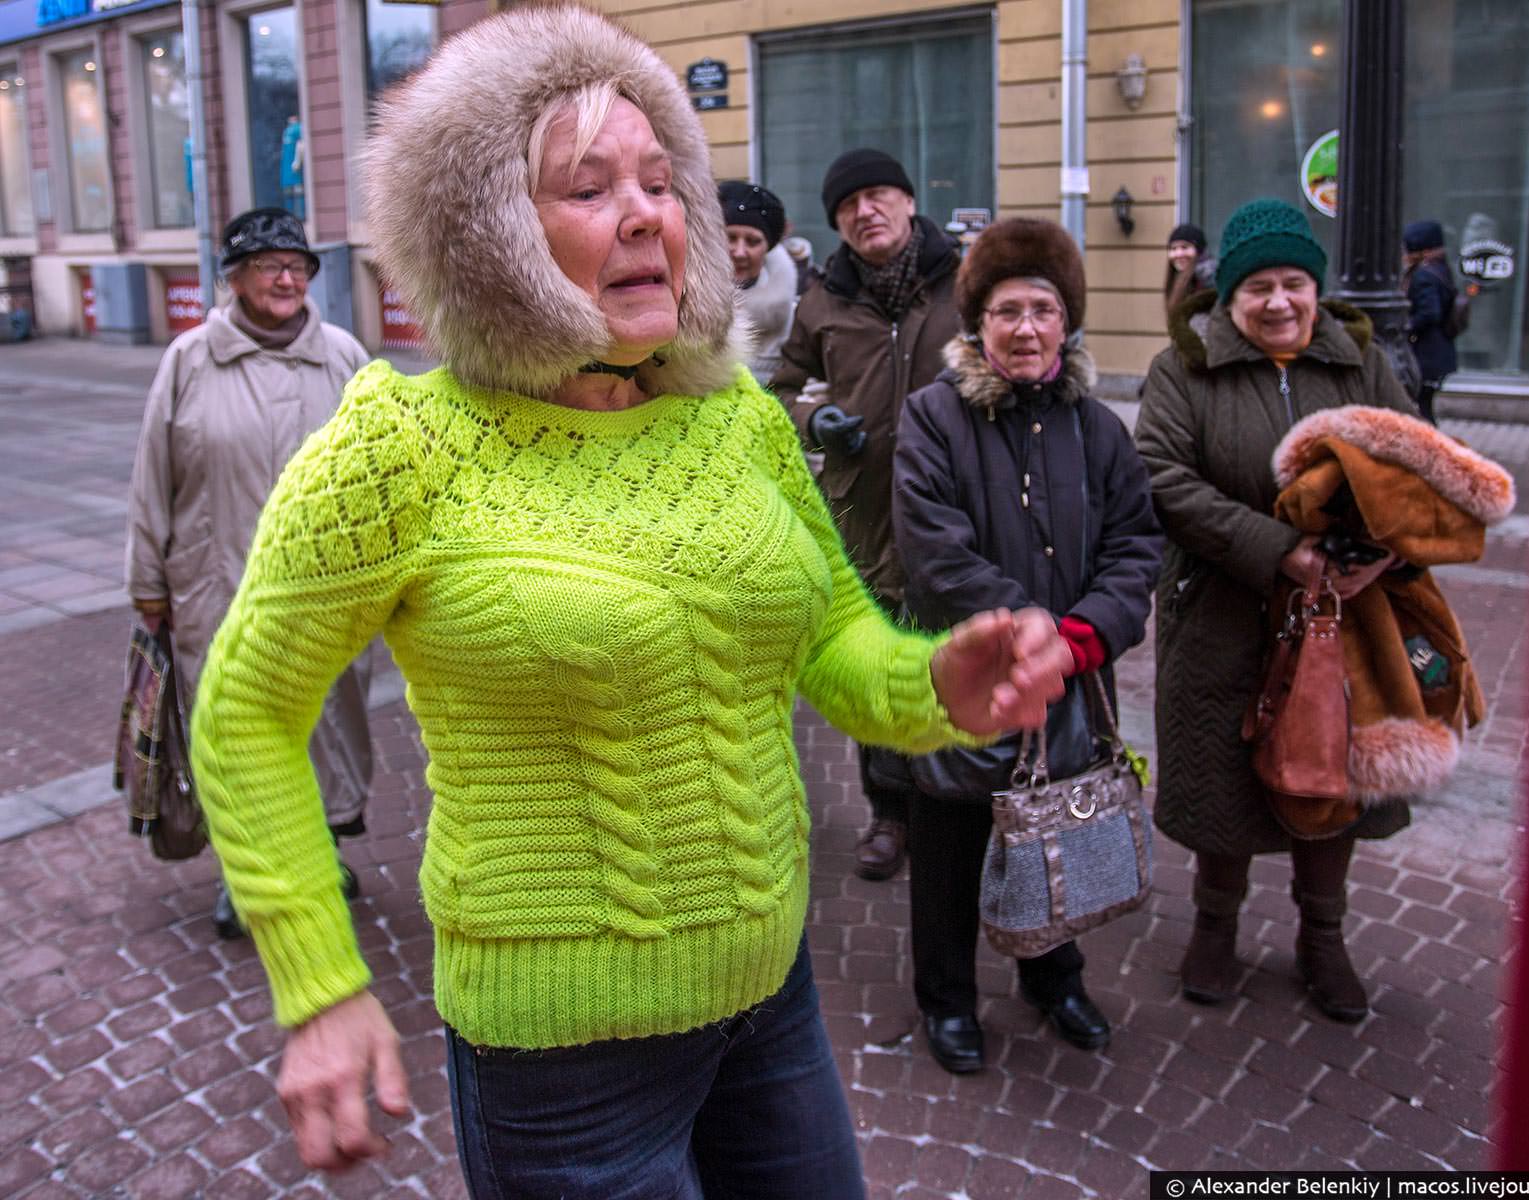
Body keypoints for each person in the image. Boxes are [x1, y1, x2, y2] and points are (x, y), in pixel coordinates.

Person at [186, 9, 1072, 1195]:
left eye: (662, 181)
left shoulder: (741, 420)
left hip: (771, 1000)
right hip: (560, 1065)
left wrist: (937, 684)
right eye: (589, 187)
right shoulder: (397, 445)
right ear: (487, 233)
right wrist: (318, 982)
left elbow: (833, 642)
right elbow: (244, 714)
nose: (648, 211)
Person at [1135, 198, 1418, 1024]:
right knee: (1226, 773)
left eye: (1296, 283)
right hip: (1225, 608)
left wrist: (1377, 557)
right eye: (1259, 285)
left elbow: (1414, 456)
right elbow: (1162, 475)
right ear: (1231, 296)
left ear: (1317, 290)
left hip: (1345, 614)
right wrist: (1278, 551)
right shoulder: (1183, 366)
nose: (1279, 302)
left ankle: (1323, 939)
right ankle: (1214, 930)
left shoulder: (1357, 361)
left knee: (1333, 767)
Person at [893, 218, 1161, 1074]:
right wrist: (1025, 626)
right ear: (978, 323)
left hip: (1070, 683)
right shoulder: (932, 419)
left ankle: (1055, 978)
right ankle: (948, 999)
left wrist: (1082, 637)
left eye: (1043, 309)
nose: (1026, 328)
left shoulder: (1098, 427)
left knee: (1058, 834)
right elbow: (933, 549)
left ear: (1066, 321)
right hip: (972, 678)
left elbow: (1134, 546)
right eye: (1007, 310)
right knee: (949, 848)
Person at [125, 206, 373, 942]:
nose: (289, 278)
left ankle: (322, 853)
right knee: (236, 730)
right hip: (215, 584)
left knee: (327, 722)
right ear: (234, 278)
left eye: (299, 266)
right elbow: (153, 477)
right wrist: (148, 583)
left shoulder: (344, 357)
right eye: (271, 266)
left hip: (325, 590)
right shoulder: (190, 360)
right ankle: (246, 878)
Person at [768, 147, 964, 882]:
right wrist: (814, 420)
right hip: (862, 514)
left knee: (952, 648)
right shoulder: (822, 300)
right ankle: (888, 812)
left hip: (954, 512)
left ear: (910, 202)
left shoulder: (963, 282)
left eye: (879, 195)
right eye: (848, 206)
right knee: (876, 657)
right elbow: (781, 391)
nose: (865, 211)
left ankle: (959, 802)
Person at [719, 179, 797, 364]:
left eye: (753, 241)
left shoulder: (792, 317)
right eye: (730, 238)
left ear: (767, 249)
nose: (739, 252)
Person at [1402, 219, 1459, 423]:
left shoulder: (1424, 275)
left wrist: (1405, 327)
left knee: (1422, 408)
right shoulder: (1441, 269)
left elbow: (1430, 313)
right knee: (1424, 406)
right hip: (1438, 352)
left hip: (1427, 355)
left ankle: (1428, 449)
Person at [1164, 222, 1217, 306]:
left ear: (1199, 251)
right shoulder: (1180, 279)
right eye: (1173, 249)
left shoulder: (1208, 280)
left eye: (1185, 247)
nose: (1179, 254)